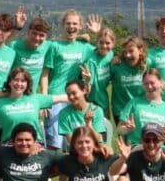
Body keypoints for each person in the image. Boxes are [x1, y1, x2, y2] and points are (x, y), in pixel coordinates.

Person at [44, 10, 96, 150]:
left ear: (80, 26)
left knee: (74, 143)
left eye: (74, 24)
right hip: (55, 97)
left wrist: (94, 34)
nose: (71, 26)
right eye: (68, 23)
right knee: (53, 143)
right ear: (63, 25)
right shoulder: (55, 46)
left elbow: (103, 51)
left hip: (75, 98)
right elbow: (45, 73)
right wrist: (45, 99)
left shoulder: (85, 47)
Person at [0, 67, 67, 144]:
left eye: (23, 81)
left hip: (34, 144)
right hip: (10, 145)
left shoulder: (35, 98)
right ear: (9, 82)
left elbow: (62, 97)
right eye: (16, 80)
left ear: (27, 84)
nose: (19, 84)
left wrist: (75, 95)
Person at [116, 68, 165, 147]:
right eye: (146, 84)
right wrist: (127, 129)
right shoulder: (134, 103)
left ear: (160, 82)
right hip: (137, 147)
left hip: (158, 148)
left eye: (152, 83)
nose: (149, 86)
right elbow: (119, 129)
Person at [57, 78, 109, 149]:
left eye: (74, 93)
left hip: (95, 149)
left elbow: (98, 139)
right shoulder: (64, 113)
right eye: (68, 95)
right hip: (76, 151)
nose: (71, 97)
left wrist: (88, 124)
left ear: (84, 90)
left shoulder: (96, 110)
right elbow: (71, 141)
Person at [109, 37, 150, 120]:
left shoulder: (148, 63)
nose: (127, 55)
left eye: (131, 51)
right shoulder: (116, 65)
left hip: (141, 110)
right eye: (125, 52)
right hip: (121, 111)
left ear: (140, 51)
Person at [9, 15, 50, 92]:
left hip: (31, 95)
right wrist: (18, 27)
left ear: (46, 37)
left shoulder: (47, 47)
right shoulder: (14, 46)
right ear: (28, 32)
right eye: (34, 33)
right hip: (13, 93)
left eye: (41, 35)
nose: (37, 38)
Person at [84, 24, 114, 119]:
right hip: (91, 102)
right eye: (101, 43)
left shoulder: (111, 55)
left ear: (113, 43)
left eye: (108, 43)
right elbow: (88, 89)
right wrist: (87, 81)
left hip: (104, 101)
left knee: (107, 127)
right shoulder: (91, 61)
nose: (104, 46)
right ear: (97, 43)